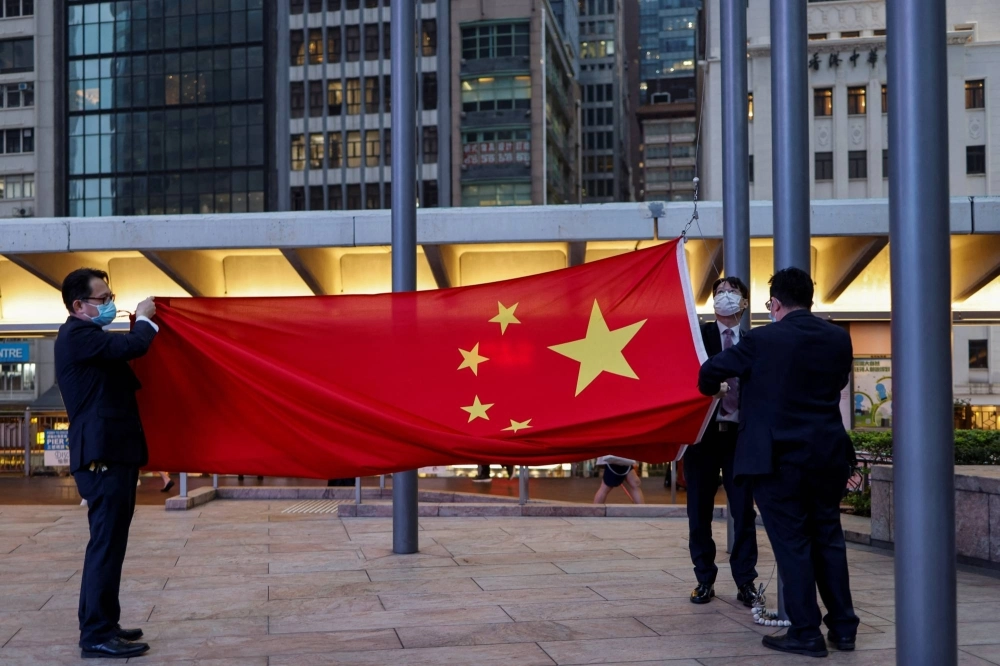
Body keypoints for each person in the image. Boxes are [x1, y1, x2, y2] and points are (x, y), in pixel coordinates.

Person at [698, 267, 859, 659]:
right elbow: (837, 384)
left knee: (793, 544)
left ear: (774, 304)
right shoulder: (838, 338)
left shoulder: (762, 340)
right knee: (828, 539)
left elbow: (709, 373)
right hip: (826, 456)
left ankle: (805, 632)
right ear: (810, 299)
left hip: (778, 461)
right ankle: (843, 627)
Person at [55, 268, 158, 660]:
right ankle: (95, 634)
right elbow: (130, 347)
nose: (110, 304)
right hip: (102, 457)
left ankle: (103, 623)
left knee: (109, 544)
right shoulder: (78, 335)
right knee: (105, 545)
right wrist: (146, 319)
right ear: (79, 305)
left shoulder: (88, 336)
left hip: (112, 455)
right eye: (103, 299)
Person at [684, 277, 759, 607]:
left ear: (744, 301)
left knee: (743, 512)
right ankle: (704, 578)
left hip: (740, 439)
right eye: (719, 293)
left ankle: (745, 581)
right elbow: (685, 378)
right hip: (703, 438)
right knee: (699, 511)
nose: (725, 298)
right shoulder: (700, 337)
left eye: (731, 293)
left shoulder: (754, 341)